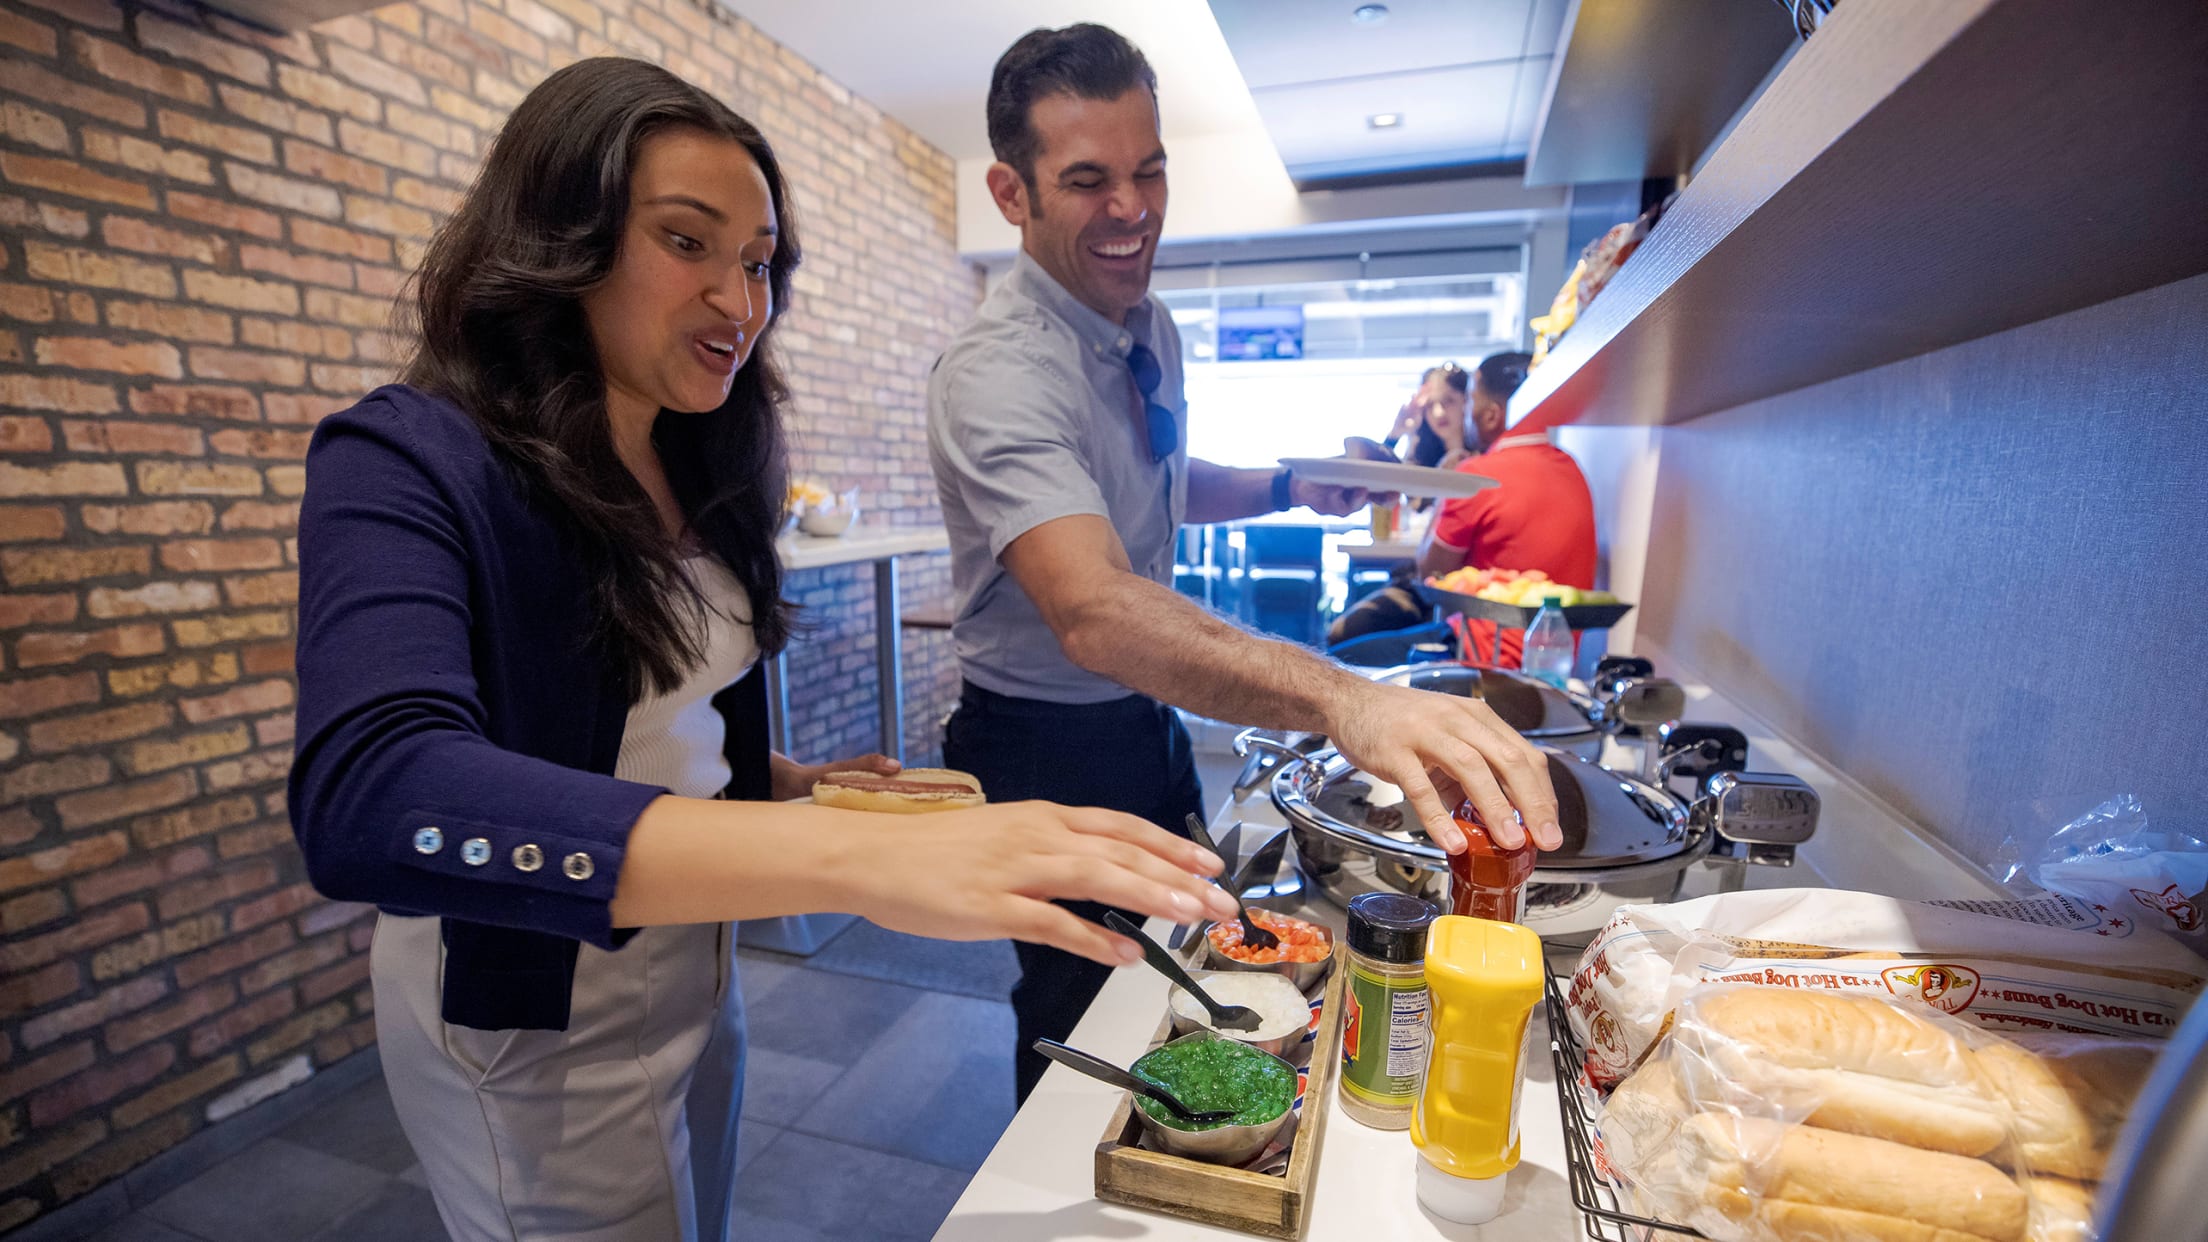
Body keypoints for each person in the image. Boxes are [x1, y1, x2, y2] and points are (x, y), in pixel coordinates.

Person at [289, 58, 1241, 1242]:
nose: (740, 303)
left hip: (695, 952)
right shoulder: (404, 459)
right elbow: (374, 803)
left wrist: (784, 789)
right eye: (688, 244)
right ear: (560, 234)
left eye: (756, 263)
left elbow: (647, 720)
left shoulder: (700, 459)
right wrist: (834, 858)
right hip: (525, 992)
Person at [928, 25, 1564, 1103]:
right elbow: (1092, 608)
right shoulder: (997, 371)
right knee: (1087, 994)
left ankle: (1201, 1118)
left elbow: (1161, 476)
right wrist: (1341, 698)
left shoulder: (1146, 325)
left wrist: (1285, 486)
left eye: (1149, 171)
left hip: (1139, 716)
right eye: (1088, 181)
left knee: (1187, 953)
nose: (1132, 210)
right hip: (1042, 736)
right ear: (1010, 191)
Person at [1417, 350, 1599, 667]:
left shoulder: (1477, 476)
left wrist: (1445, 486)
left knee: (1347, 651)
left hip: (1480, 654)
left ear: (1491, 415)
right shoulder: (1572, 467)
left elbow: (1429, 572)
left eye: (1471, 401)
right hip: (1554, 659)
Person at [1383, 362, 1473, 473]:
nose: (1438, 413)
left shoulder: (1487, 453)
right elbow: (1375, 478)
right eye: (1430, 405)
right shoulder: (1419, 460)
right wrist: (1395, 434)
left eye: (1448, 401)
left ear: (1467, 401)